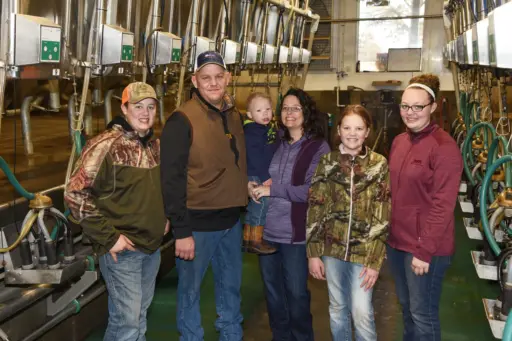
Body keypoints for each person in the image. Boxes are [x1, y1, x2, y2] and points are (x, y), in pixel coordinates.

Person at [64, 82, 168, 341]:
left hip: (151, 247)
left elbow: (159, 189)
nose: (145, 113)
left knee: (137, 318)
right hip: (124, 252)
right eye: (138, 106)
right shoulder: (105, 145)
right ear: (124, 108)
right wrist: (111, 238)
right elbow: (74, 194)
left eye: (150, 107)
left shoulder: (154, 146)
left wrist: (164, 217)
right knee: (128, 324)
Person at [160, 51, 247, 341]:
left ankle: (232, 336)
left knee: (231, 290)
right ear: (195, 80)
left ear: (228, 78)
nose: (213, 83)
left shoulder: (233, 115)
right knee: (190, 294)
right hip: (197, 226)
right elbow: (170, 179)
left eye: (219, 76)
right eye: (206, 78)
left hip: (232, 221)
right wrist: (181, 230)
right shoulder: (181, 120)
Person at [250, 87, 330, 341]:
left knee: (296, 294)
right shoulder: (277, 143)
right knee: (273, 295)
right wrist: (253, 186)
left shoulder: (318, 147)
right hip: (267, 232)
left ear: (306, 112)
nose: (290, 113)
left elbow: (314, 190)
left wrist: (272, 190)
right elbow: (262, 173)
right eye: (285, 108)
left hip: (295, 234)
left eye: (295, 108)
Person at [387, 74, 463, 341]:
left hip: (424, 249)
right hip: (397, 244)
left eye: (418, 106)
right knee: (407, 310)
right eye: (405, 106)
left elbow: (443, 205)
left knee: (423, 314)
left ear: (432, 107)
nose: (410, 112)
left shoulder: (444, 148)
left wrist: (424, 251)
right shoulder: (399, 141)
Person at [306, 105, 390, 341]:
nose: (353, 133)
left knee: (362, 311)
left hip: (364, 253)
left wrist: (374, 262)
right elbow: (315, 207)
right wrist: (313, 253)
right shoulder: (327, 162)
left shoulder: (379, 164)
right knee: (337, 308)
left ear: (367, 132)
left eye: (359, 128)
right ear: (339, 131)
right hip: (332, 250)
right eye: (347, 127)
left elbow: (382, 213)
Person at [243, 92, 278, 254]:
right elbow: (255, 157)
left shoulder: (262, 129)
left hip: (256, 173)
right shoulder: (253, 132)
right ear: (249, 114)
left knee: (254, 206)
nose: (265, 113)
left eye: (268, 109)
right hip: (257, 174)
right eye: (259, 111)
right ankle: (256, 240)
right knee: (262, 204)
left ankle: (248, 239)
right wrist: (265, 177)